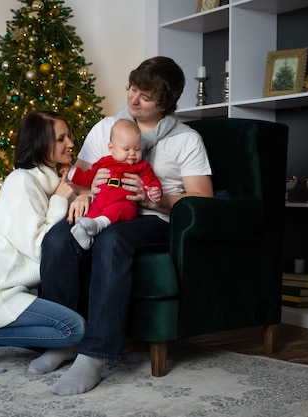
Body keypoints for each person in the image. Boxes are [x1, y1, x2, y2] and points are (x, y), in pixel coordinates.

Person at [39, 56, 214, 395]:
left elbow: (201, 199)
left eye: (145, 96)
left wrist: (153, 200)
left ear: (166, 101)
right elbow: (79, 177)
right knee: (59, 238)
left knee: (113, 240)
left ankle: (95, 355)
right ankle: (63, 340)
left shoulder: (186, 139)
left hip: (156, 221)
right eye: (132, 89)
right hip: (104, 209)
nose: (133, 100)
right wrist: (84, 193)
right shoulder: (106, 128)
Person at [0, 111, 86, 376]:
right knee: (75, 329)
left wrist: (70, 193)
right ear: (40, 144)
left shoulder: (44, 183)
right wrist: (60, 200)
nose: (70, 143)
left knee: (65, 327)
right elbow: (40, 251)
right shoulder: (21, 183)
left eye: (68, 136)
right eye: (61, 139)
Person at [67, 119, 162, 249]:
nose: (132, 153)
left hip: (124, 203)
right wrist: (73, 174)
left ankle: (99, 224)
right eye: (126, 149)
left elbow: (151, 181)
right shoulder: (103, 162)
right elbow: (89, 177)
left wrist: (154, 191)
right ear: (111, 148)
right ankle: (84, 233)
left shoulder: (142, 167)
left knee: (118, 209)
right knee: (92, 211)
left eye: (137, 149)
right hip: (100, 202)